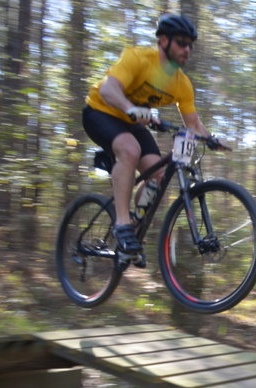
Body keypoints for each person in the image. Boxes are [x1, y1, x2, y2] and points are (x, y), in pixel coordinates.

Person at [82, 13, 220, 263]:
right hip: (100, 111)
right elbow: (108, 88)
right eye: (181, 42)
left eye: (190, 45)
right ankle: (122, 224)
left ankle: (133, 229)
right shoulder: (137, 58)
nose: (187, 49)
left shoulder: (182, 84)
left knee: (158, 174)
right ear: (163, 41)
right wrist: (129, 108)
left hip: (131, 122)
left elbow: (193, 124)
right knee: (130, 149)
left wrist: (211, 139)